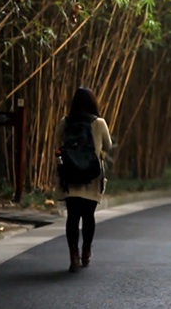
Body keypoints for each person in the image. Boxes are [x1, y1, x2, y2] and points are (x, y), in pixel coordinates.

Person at [55, 87, 113, 273]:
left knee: (72, 216)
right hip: (91, 176)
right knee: (88, 215)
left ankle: (73, 254)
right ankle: (86, 250)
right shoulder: (99, 123)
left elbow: (58, 142)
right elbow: (108, 145)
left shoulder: (65, 121)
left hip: (71, 175)